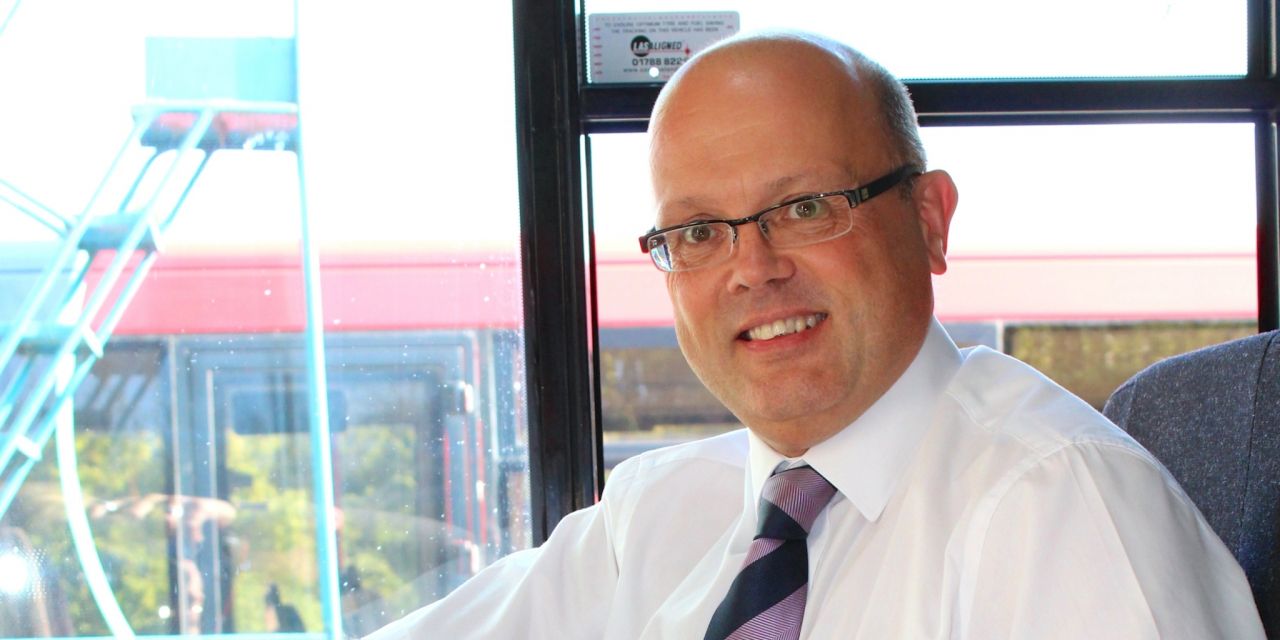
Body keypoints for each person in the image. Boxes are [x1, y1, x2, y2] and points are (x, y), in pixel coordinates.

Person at [367, 31, 1264, 638]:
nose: (752, 269)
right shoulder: (658, 515)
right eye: (699, 233)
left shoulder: (1060, 506)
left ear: (929, 221)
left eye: (804, 209)